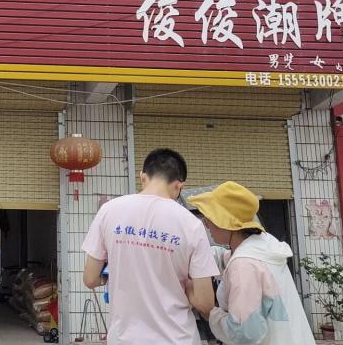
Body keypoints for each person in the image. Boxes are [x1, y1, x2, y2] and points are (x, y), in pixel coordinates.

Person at [82, 148, 219, 344]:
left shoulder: (109, 211)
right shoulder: (191, 224)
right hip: (177, 339)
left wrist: (110, 274)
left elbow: (90, 279)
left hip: (124, 339)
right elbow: (205, 303)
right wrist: (187, 288)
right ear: (179, 186)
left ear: (142, 177)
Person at [187, 181, 315, 345]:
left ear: (226, 223)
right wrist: (198, 256)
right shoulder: (264, 245)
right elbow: (226, 258)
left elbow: (245, 333)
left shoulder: (244, 264)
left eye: (208, 220)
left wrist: (210, 313)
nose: (207, 226)